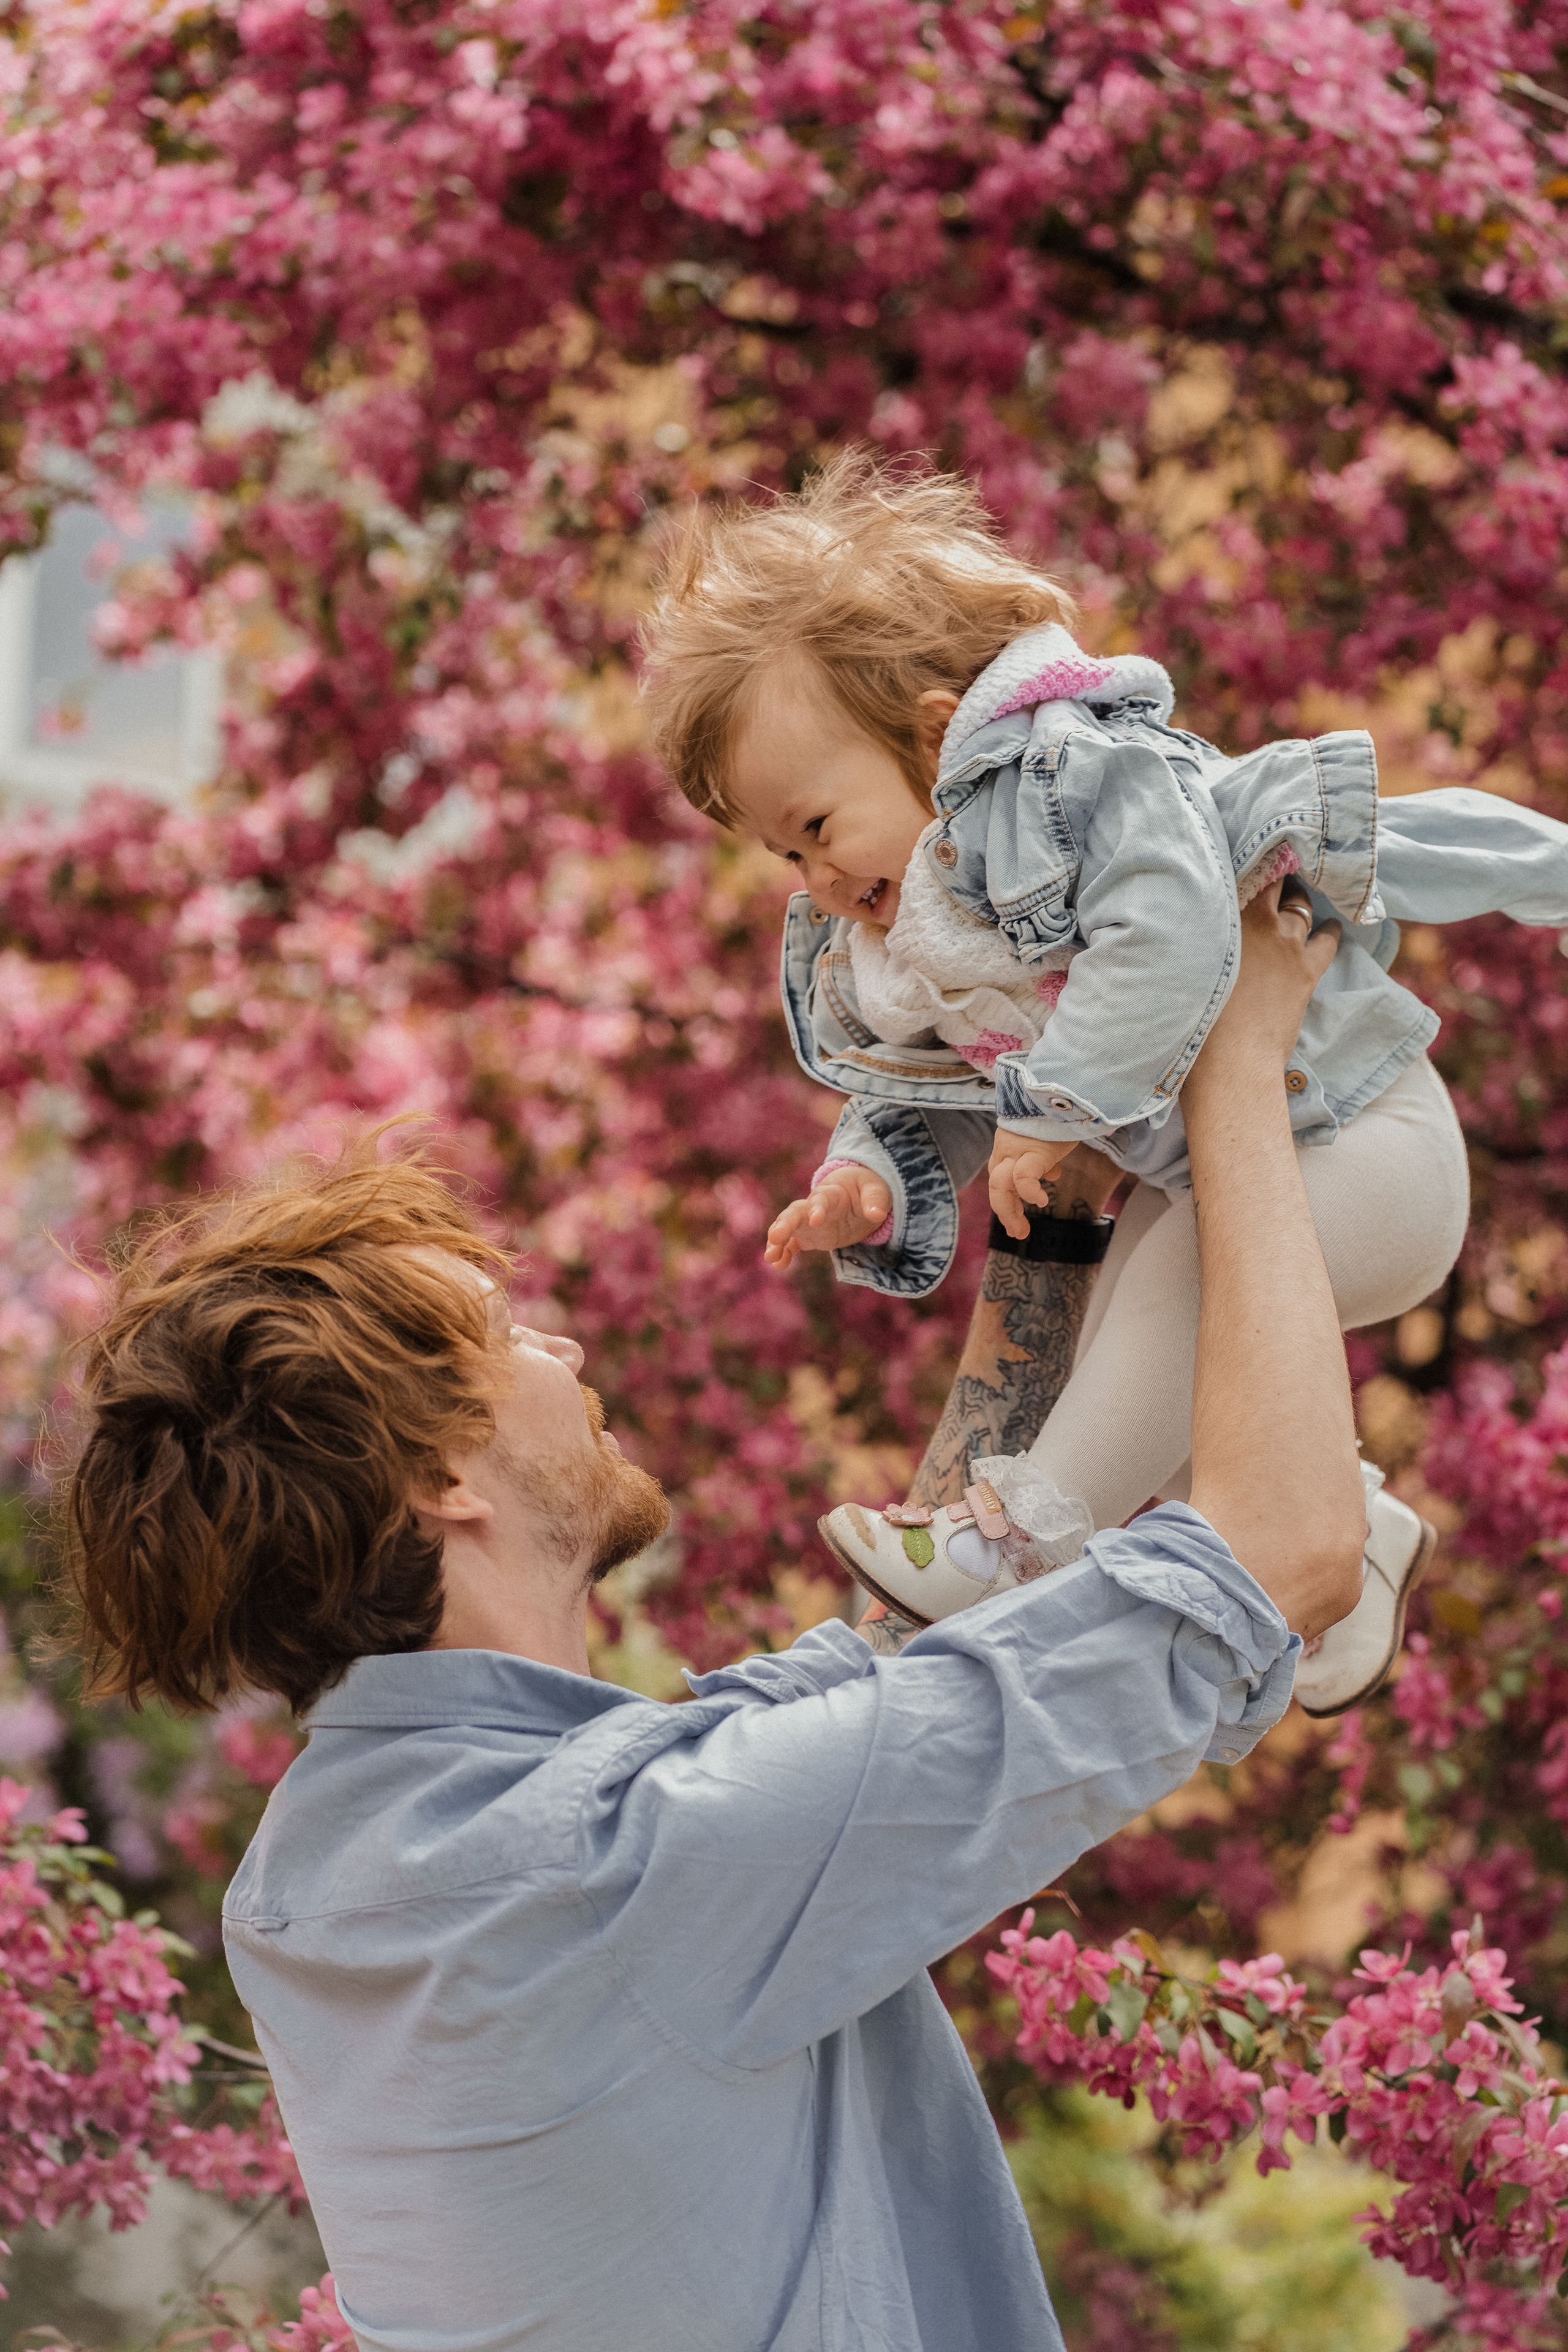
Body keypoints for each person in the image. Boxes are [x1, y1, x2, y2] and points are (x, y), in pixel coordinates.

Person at [58, 886, 1359, 2352]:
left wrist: (1046, 1230)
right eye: (500, 1335)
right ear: (438, 1478)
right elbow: (1281, 1557)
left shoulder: (324, 1883)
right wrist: (1240, 1059)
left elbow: (900, 1648)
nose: (557, 1346)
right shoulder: (620, 1865)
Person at [638, 451, 1568, 1711]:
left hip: (1362, 1153)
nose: (806, 876)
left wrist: (1059, 1109)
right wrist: (867, 1173)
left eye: (812, 825)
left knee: (1173, 1295)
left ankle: (1014, 1538)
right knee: (1172, 1349)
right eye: (778, 854)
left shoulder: (1082, 785)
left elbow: (1172, 931)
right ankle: (1351, 1527)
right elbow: (927, 1079)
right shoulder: (922, 926)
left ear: (926, 736)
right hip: (1239, 1181)